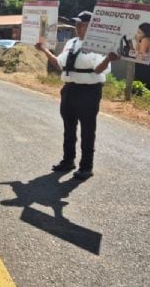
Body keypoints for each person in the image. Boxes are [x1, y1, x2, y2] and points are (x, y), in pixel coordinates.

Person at [35, 11, 119, 180]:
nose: (78, 27)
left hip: (89, 91)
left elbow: (98, 70)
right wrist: (43, 49)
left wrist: (108, 59)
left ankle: (86, 167)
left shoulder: (98, 45)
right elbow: (59, 64)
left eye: (82, 24)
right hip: (69, 90)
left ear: (92, 27)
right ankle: (68, 160)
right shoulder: (71, 43)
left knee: (88, 130)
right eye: (77, 24)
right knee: (69, 128)